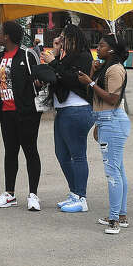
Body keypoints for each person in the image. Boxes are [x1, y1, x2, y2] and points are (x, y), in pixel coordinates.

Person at [0, 20, 54, 212]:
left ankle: (33, 194)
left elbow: (38, 79)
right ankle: (9, 194)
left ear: (7, 36)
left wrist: (39, 83)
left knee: (30, 152)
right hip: (6, 113)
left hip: (26, 114)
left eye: (0, 32)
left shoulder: (26, 55)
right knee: (10, 153)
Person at [80, 33, 130, 234]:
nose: (97, 48)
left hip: (113, 121)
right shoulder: (106, 68)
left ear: (110, 49)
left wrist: (90, 82)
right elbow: (93, 98)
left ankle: (115, 219)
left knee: (112, 172)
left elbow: (112, 99)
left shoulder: (116, 69)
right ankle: (121, 215)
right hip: (106, 120)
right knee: (118, 169)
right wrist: (92, 75)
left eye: (100, 45)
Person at [47, 23, 96, 212]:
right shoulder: (67, 57)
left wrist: (54, 61)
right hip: (63, 110)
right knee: (61, 154)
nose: (60, 40)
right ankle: (74, 192)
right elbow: (56, 74)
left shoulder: (83, 56)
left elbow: (70, 78)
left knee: (77, 155)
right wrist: (57, 52)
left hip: (77, 110)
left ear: (73, 38)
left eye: (63, 37)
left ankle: (81, 197)